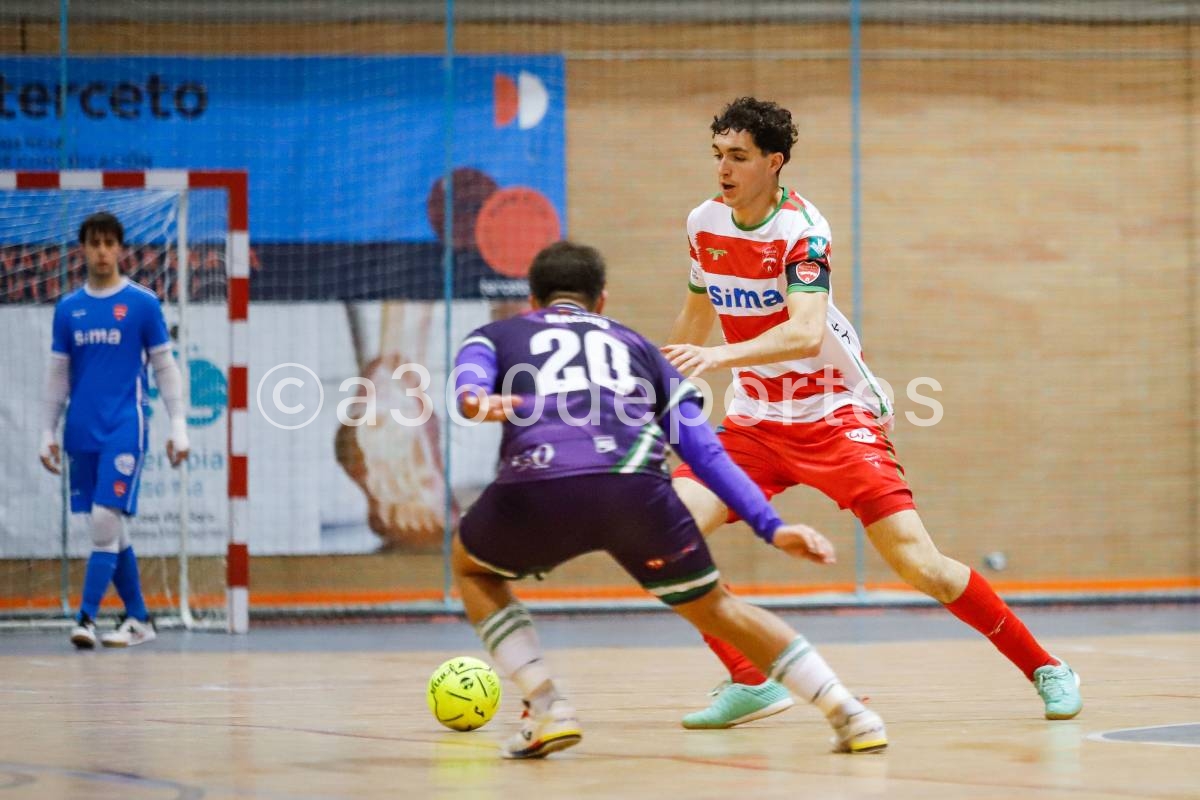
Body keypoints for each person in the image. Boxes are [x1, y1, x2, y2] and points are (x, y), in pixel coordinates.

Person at [661, 97, 1083, 728]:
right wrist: (667, 378)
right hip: (755, 420)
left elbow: (804, 332)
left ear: (773, 162)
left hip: (832, 412)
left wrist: (715, 357)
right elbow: (697, 314)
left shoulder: (803, 230)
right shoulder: (704, 222)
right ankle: (749, 678)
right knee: (662, 532)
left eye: (739, 157)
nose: (723, 168)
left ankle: (1046, 666)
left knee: (921, 565)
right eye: (718, 155)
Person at [450, 240, 888, 759]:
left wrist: (475, 400)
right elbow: (706, 453)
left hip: (541, 483)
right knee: (719, 607)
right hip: (637, 491)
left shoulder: (496, 334)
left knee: (473, 569)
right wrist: (771, 526)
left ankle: (548, 705)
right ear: (602, 300)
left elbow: (469, 383)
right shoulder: (639, 349)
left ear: (532, 300)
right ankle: (849, 714)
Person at [39, 211, 190, 649]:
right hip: (81, 429)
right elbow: (57, 375)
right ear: (83, 249)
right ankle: (139, 619)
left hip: (126, 425)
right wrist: (45, 431)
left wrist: (179, 425)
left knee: (105, 520)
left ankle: (85, 618)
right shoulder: (69, 310)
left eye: (110, 243)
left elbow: (165, 366)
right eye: (94, 243)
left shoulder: (143, 304)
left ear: (120, 249)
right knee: (111, 530)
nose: (102, 251)